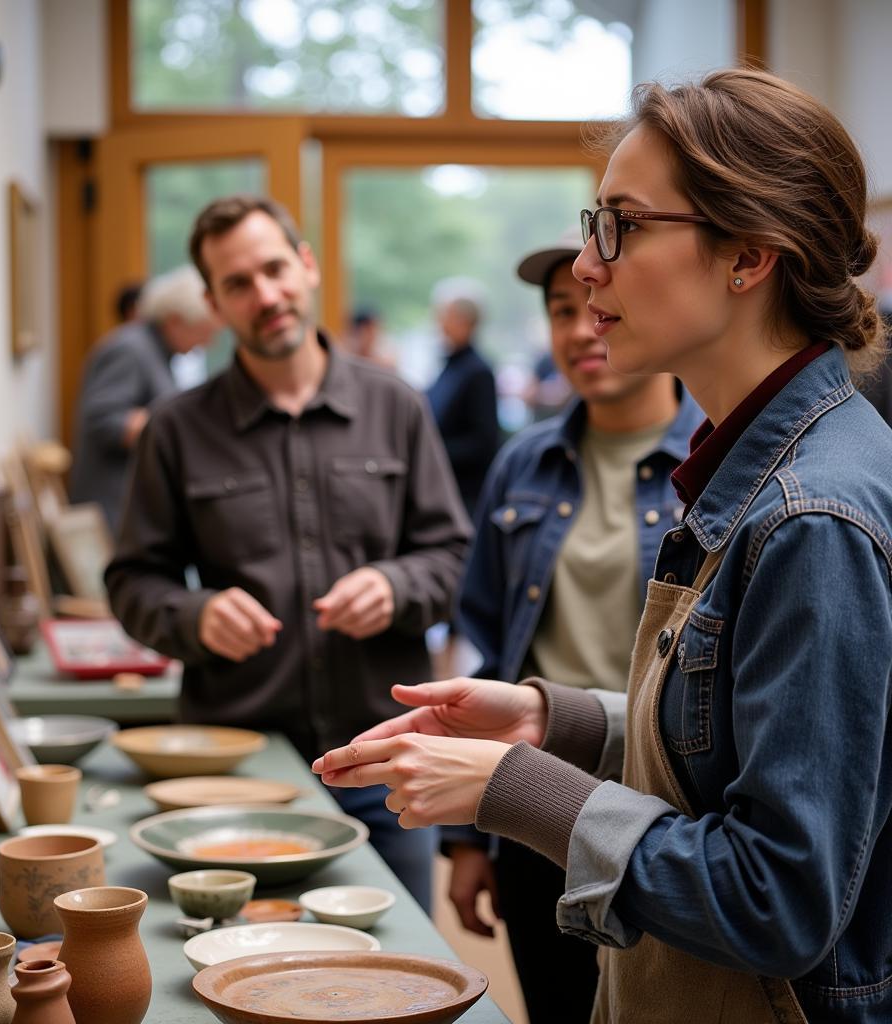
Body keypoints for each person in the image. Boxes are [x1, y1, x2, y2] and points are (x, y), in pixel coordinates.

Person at [314, 68, 892, 1023]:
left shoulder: (810, 516)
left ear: (748, 255)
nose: (585, 265)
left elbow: (778, 898)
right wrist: (561, 722)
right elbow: (741, 743)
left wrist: (514, 786)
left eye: (620, 225)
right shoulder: (763, 464)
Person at [104, 195, 471, 912]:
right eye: (237, 284)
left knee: (400, 983)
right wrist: (194, 613)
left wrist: (398, 587)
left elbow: (455, 557)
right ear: (213, 303)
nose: (264, 295)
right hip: (238, 772)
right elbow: (132, 581)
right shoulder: (177, 429)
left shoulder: (397, 406)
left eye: (274, 269)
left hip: (385, 763)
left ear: (306, 267)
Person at [442, 226, 701, 1024]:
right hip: (534, 801)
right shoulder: (524, 465)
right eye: (561, 310)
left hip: (665, 809)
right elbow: (484, 646)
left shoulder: (717, 454)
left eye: (597, 304)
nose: (582, 328)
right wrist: (468, 840)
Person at [69, 266, 220, 532]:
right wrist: (176, 428)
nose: (207, 343)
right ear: (175, 320)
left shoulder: (156, 352)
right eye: (204, 331)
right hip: (112, 509)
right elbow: (102, 420)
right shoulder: (129, 349)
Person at [426, 280, 501, 519]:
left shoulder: (478, 371)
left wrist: (432, 451)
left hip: (466, 497)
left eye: (445, 316)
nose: (440, 323)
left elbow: (483, 442)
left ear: (465, 321)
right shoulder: (451, 366)